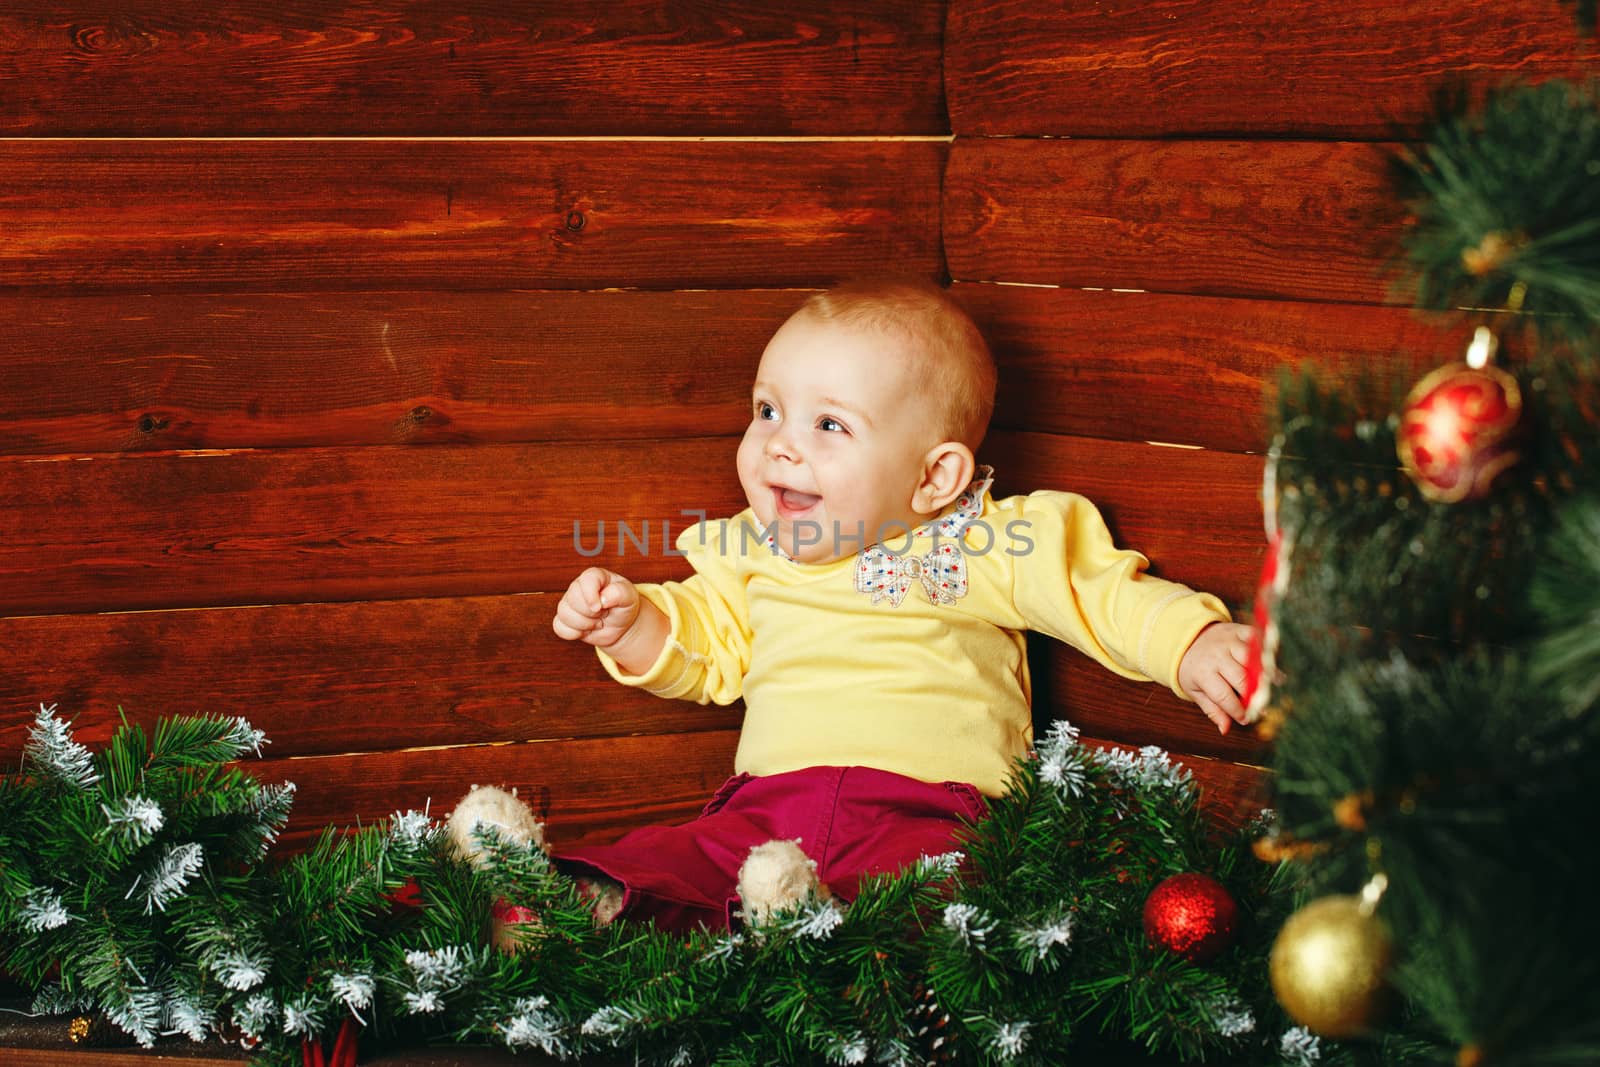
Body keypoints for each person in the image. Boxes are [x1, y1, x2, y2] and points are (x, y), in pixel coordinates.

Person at [550, 277, 1252, 932]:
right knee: (690, 854)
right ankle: (590, 904)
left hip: (932, 810)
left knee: (947, 894)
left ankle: (835, 948)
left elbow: (1092, 591)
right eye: (767, 410)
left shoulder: (977, 541)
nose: (780, 446)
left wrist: (1189, 644)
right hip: (767, 813)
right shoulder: (754, 549)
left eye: (829, 425)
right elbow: (705, 652)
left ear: (933, 475)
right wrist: (634, 623)